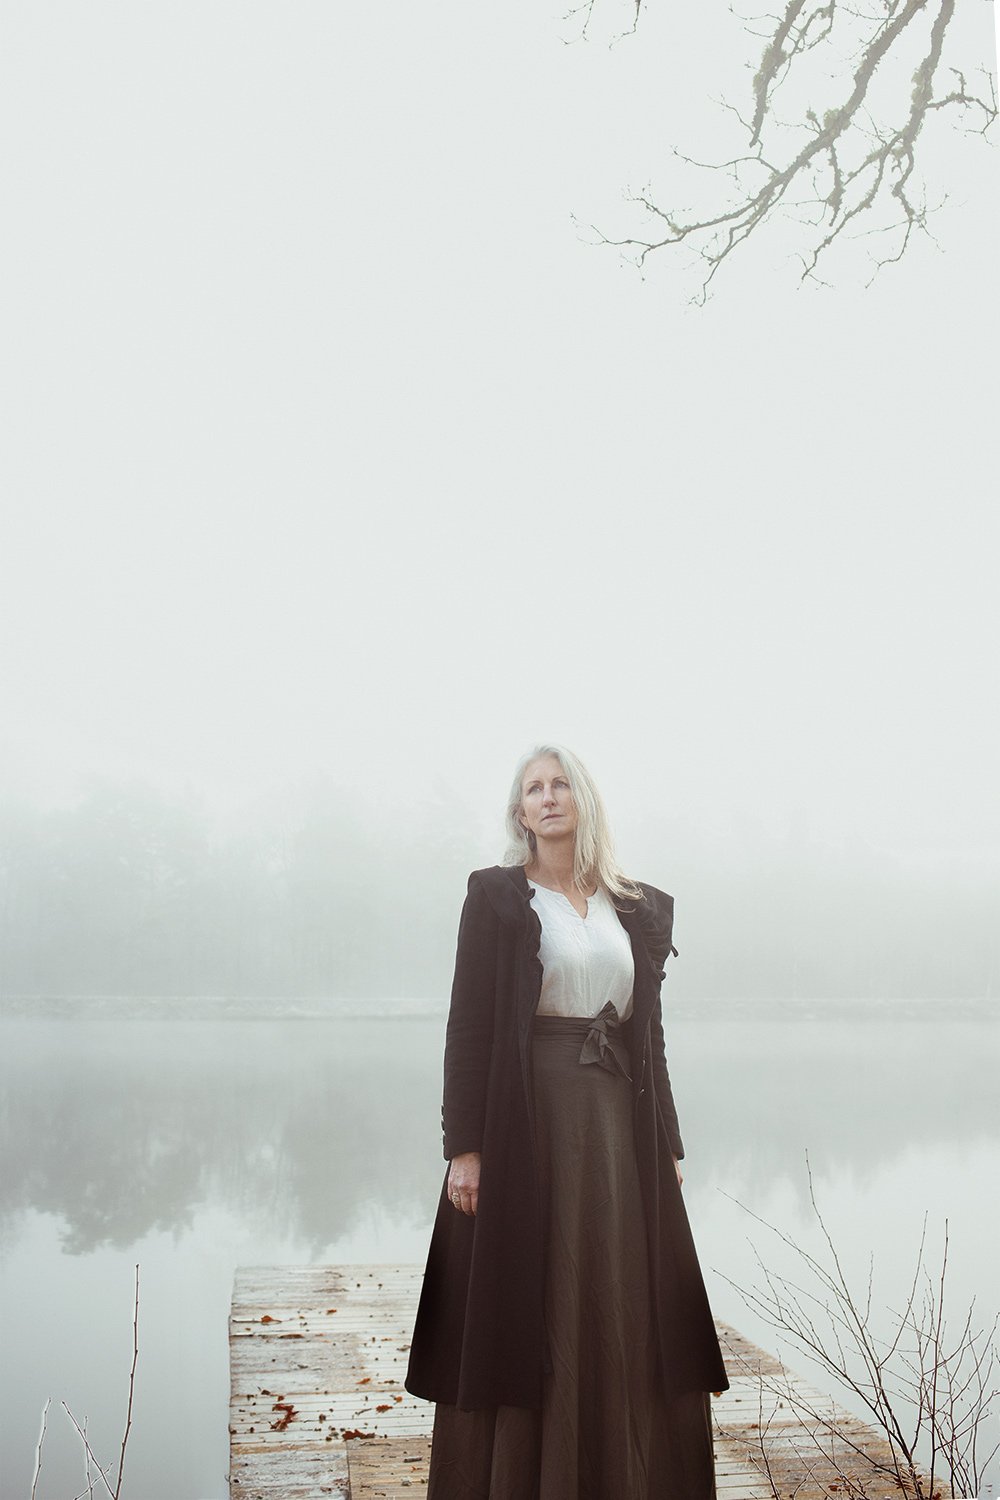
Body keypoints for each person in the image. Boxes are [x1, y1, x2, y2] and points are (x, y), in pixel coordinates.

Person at [405, 744, 729, 1499]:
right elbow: (468, 1028)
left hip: (618, 1130)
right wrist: (465, 1149)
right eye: (533, 789)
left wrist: (669, 1144)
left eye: (559, 785)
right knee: (528, 1295)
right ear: (520, 811)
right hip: (526, 1123)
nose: (547, 798)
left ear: (583, 800)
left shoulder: (631, 906)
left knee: (622, 1297)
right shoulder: (497, 898)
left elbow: (647, 1036)